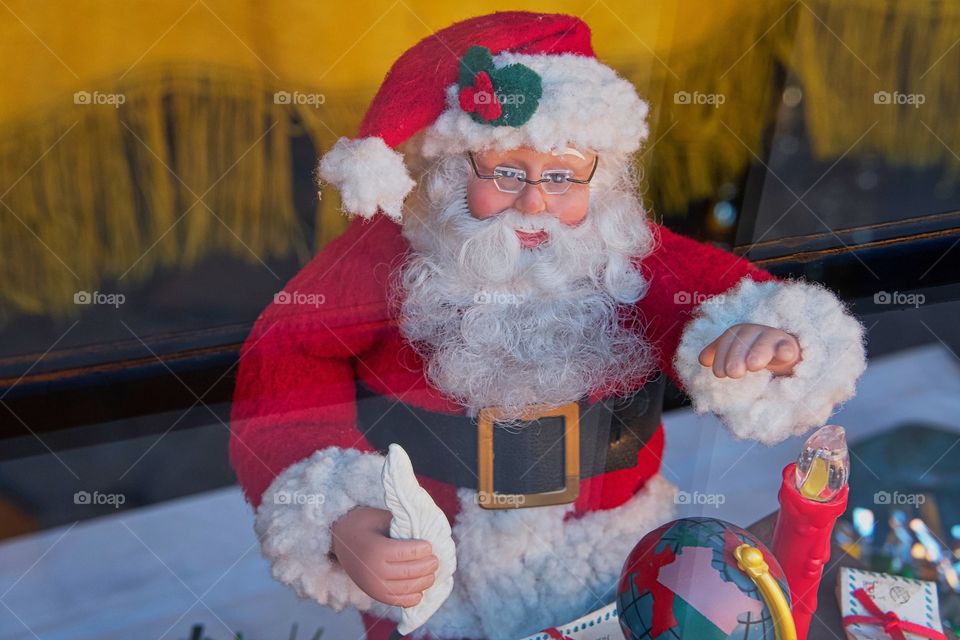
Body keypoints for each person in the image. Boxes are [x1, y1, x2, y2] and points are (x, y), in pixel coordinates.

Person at [229, 11, 867, 640]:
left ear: (600, 174)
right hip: (439, 573)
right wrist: (341, 516)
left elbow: (731, 301)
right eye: (506, 172)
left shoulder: (625, 255)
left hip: (613, 560)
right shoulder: (383, 260)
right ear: (454, 168)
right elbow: (284, 365)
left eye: (562, 176)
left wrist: (767, 338)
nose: (534, 200)